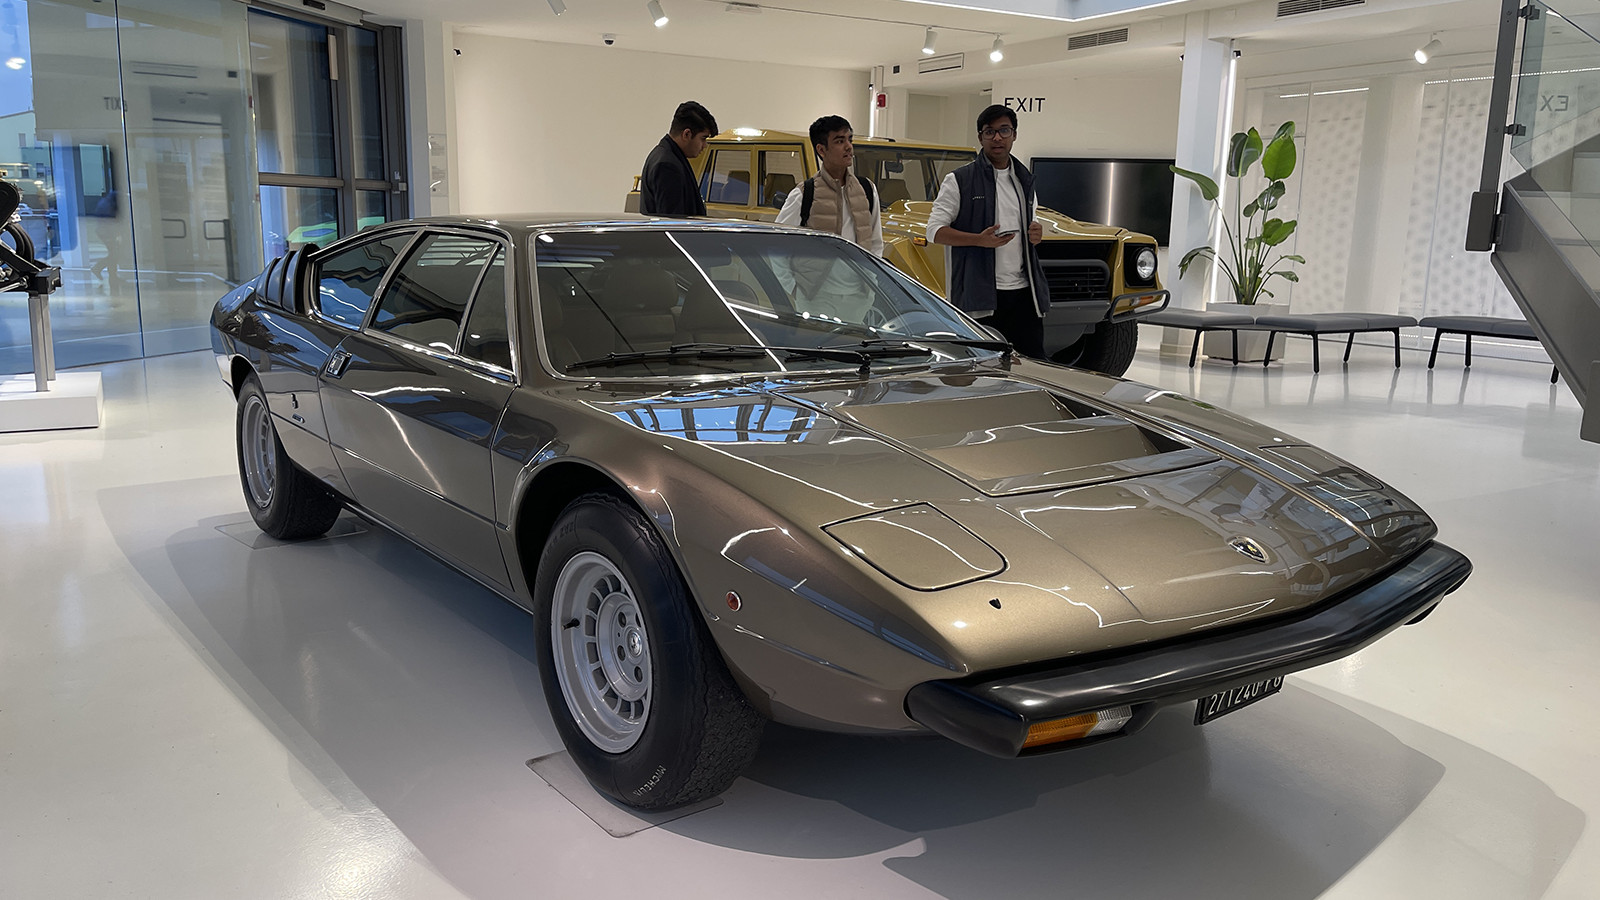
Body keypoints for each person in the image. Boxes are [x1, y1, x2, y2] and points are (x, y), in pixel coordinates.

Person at [926, 104, 1050, 358]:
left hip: (1024, 294)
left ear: (1014, 134)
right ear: (980, 137)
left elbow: (1032, 223)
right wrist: (978, 240)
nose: (997, 138)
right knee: (981, 368)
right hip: (979, 296)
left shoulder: (1024, 180)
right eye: (989, 132)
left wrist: (1036, 234)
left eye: (1004, 130)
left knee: (1033, 365)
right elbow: (934, 231)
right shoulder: (959, 180)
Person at [772, 116, 886, 322]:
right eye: (839, 141)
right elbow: (776, 246)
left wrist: (872, 283)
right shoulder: (804, 193)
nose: (848, 147)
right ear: (821, 149)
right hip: (816, 297)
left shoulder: (867, 189)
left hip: (859, 298)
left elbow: (876, 242)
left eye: (850, 139)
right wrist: (794, 289)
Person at [639, 101, 718, 217]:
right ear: (686, 134)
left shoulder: (665, 156)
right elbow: (673, 222)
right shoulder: (667, 166)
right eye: (703, 138)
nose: (705, 145)